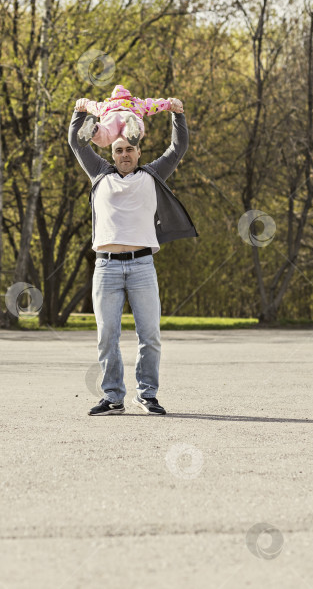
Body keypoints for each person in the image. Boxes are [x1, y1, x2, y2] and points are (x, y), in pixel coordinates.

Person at [68, 96, 198, 416]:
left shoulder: (152, 175)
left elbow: (177, 148)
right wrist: (79, 111)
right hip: (106, 269)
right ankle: (113, 397)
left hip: (142, 266)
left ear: (139, 151)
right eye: (118, 150)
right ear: (110, 152)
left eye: (129, 149)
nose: (124, 155)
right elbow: (76, 142)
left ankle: (147, 394)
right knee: (107, 337)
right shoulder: (99, 173)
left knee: (150, 336)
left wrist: (177, 115)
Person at [76, 84, 174, 148]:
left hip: (110, 115)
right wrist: (169, 104)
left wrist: (83, 103)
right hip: (130, 113)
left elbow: (92, 105)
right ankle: (132, 128)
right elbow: (154, 104)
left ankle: (94, 129)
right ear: (129, 95)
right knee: (130, 135)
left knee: (105, 136)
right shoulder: (136, 102)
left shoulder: (105, 104)